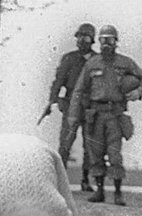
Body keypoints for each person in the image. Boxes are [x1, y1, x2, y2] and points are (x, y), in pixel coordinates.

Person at [68, 24, 142, 206]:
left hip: (114, 115)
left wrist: (137, 93)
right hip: (95, 115)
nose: (106, 44)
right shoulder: (92, 63)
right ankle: (99, 191)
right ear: (99, 42)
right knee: (95, 155)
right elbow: (79, 90)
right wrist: (73, 116)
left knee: (114, 155)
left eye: (110, 40)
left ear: (116, 42)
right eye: (103, 40)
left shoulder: (125, 62)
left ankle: (118, 192)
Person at [48, 22, 97, 192]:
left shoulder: (98, 60)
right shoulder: (69, 58)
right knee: (65, 144)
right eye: (79, 37)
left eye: (86, 37)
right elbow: (58, 81)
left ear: (92, 40)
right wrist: (54, 100)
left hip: (91, 107)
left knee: (90, 146)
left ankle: (85, 181)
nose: (82, 41)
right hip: (71, 105)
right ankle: (59, 182)